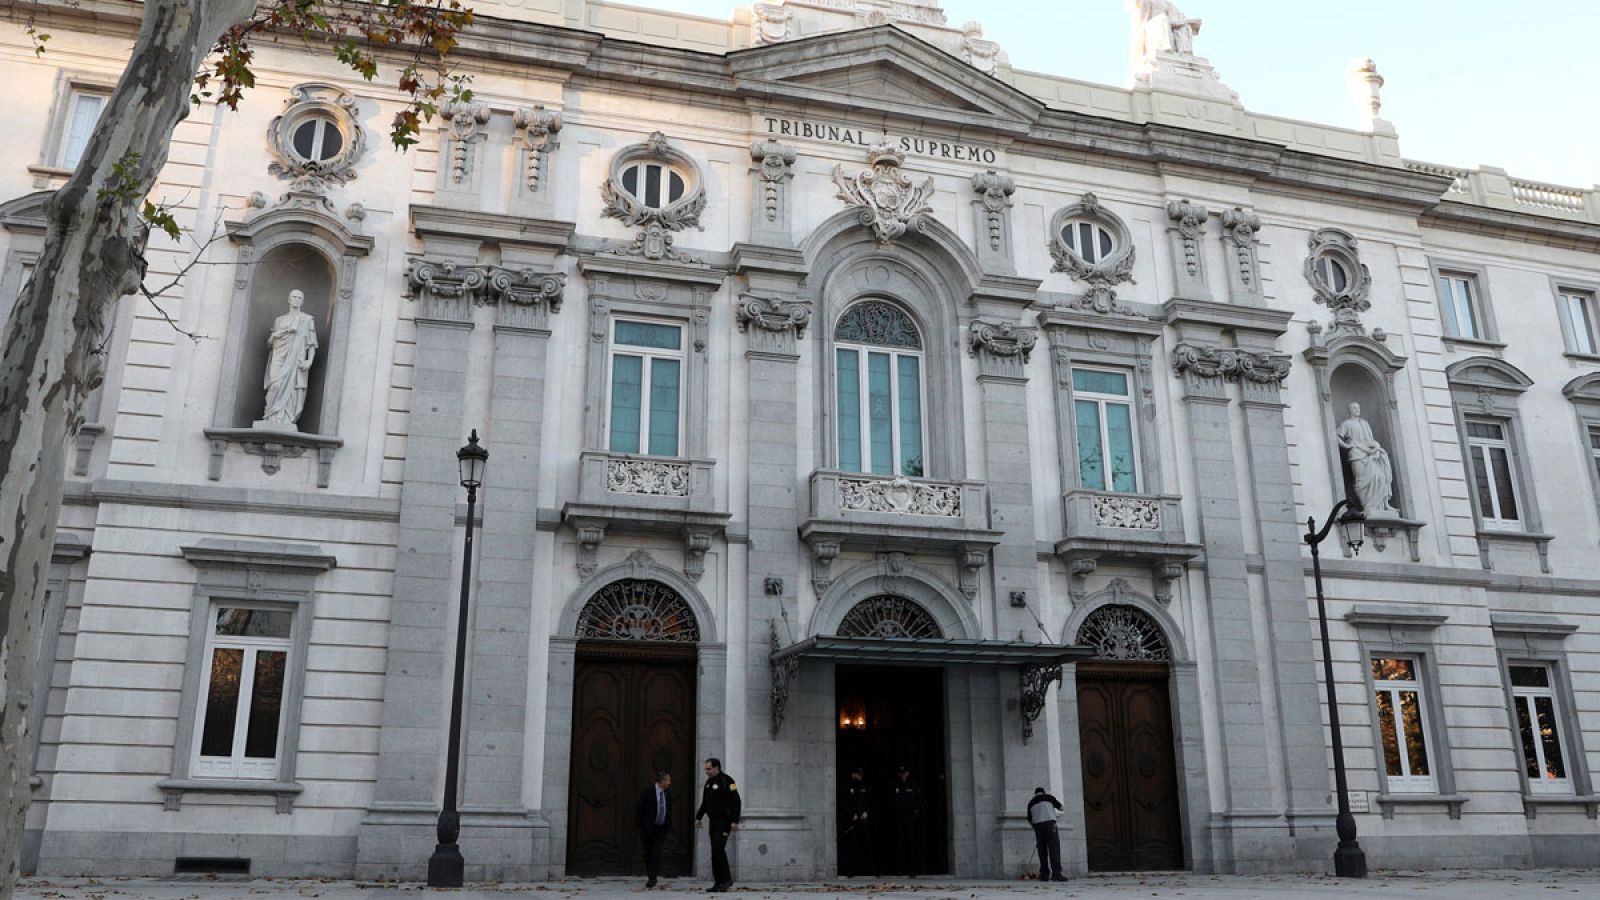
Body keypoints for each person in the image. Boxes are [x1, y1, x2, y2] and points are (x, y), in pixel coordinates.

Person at [260, 288, 318, 428]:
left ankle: (284, 418)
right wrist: (275, 335)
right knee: (275, 384)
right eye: (294, 297)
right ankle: (270, 415)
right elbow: (270, 343)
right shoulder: (279, 320)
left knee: (290, 387)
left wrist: (309, 361)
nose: (296, 300)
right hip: (278, 356)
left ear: (302, 301)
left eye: (299, 298)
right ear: (289, 299)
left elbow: (312, 343)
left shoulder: (307, 319)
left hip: (295, 359)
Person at [1335, 401, 1396, 514]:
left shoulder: (1365, 423)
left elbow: (1370, 439)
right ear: (1350, 410)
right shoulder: (1347, 424)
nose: (1357, 410)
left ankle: (1382, 505)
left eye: (1358, 407)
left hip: (1369, 453)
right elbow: (1336, 436)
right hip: (1356, 455)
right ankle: (1366, 506)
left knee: (1381, 477)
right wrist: (1347, 445)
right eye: (1354, 408)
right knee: (1361, 481)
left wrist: (1376, 447)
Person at [694, 757, 741, 892]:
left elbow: (736, 802)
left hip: (724, 821)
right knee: (714, 852)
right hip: (713, 821)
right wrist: (698, 817)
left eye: (708, 769)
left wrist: (735, 821)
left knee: (718, 849)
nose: (706, 771)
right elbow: (705, 802)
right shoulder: (708, 783)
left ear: (716, 768)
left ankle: (727, 880)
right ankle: (718, 882)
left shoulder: (727, 781)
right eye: (705, 769)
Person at [635, 770, 673, 889]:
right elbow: (639, 809)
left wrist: (668, 825)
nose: (669, 783)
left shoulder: (668, 793)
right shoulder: (647, 791)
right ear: (661, 781)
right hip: (648, 828)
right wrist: (641, 826)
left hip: (661, 829)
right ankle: (651, 876)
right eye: (668, 780)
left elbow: (669, 809)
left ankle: (653, 878)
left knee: (656, 852)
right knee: (648, 853)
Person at [839, 768, 875, 877]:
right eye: (858, 774)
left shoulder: (864, 786)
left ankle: (868, 869)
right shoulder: (846, 785)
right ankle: (851, 870)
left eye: (861, 774)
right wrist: (851, 814)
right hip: (852, 820)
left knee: (867, 844)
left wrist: (867, 812)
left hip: (863, 819)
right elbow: (843, 802)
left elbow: (869, 801)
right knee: (852, 846)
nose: (860, 776)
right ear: (853, 774)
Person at [1027, 787, 1067, 882]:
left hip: (1038, 826)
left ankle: (1044, 874)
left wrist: (1036, 828)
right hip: (1049, 824)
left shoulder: (1031, 803)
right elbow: (1061, 808)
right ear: (1043, 792)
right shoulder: (1049, 797)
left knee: (1042, 851)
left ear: (1035, 794)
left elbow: (1029, 819)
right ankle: (1056, 874)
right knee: (1054, 849)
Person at [889, 765, 923, 877]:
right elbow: (890, 800)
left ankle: (912, 869)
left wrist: (915, 811)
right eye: (901, 773)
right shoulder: (895, 785)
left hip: (910, 818)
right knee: (899, 844)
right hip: (898, 818)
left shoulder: (913, 784)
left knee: (911, 844)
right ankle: (899, 869)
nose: (903, 775)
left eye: (905, 773)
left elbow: (919, 799)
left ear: (908, 773)